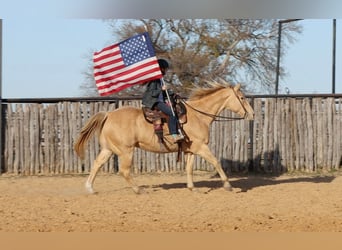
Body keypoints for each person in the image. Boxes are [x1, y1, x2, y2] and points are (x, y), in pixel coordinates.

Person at [142, 59, 184, 142]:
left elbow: (163, 93)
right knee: (171, 113)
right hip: (154, 102)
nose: (166, 71)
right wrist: (161, 89)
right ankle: (174, 135)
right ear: (161, 68)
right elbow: (152, 93)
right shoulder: (154, 80)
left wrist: (173, 94)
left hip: (159, 101)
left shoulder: (159, 79)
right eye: (165, 69)